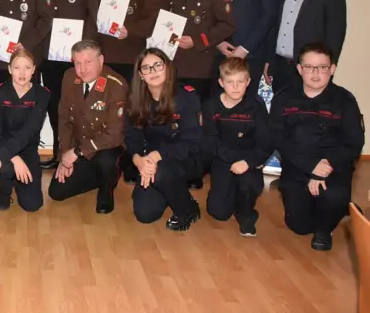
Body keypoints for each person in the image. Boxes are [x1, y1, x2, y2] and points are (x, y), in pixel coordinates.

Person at [271, 42, 363, 251]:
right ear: (299, 69)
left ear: (332, 69)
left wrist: (324, 168)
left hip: (333, 169)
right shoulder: (284, 98)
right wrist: (310, 166)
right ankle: (339, 210)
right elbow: (277, 137)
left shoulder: (345, 100)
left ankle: (326, 228)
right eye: (309, 67)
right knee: (298, 226)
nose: (315, 73)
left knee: (332, 197)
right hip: (298, 167)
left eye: (322, 67)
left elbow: (354, 142)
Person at [40, 0, 100, 169]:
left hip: (77, 53)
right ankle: (58, 153)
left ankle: (81, 156)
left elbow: (93, 10)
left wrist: (84, 49)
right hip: (51, 51)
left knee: (79, 105)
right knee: (55, 104)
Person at [125, 48, 203, 231]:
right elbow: (132, 137)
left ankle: (186, 209)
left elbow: (193, 141)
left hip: (186, 157)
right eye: (146, 68)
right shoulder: (135, 100)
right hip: (152, 161)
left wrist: (158, 155)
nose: (153, 71)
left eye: (157, 65)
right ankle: (174, 192)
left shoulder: (186, 96)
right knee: (145, 214)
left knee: (162, 173)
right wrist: (139, 161)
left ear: (167, 68)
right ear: (140, 75)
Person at [48, 40, 128, 214]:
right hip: (80, 147)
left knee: (106, 161)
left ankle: (106, 189)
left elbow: (114, 135)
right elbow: (64, 120)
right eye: (77, 63)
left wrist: (76, 153)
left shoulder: (116, 85)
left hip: (106, 148)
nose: (82, 69)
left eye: (88, 62)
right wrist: (65, 155)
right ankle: (96, 176)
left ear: (101, 60)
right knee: (56, 192)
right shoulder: (69, 77)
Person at [265, 0, 347, 93]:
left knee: (310, 114)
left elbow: (335, 36)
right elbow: (272, 29)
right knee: (282, 114)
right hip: (281, 67)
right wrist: (269, 61)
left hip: (311, 70)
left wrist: (326, 69)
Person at [162, 0, 235, 103]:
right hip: (172, 64)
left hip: (200, 65)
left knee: (197, 117)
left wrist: (196, 40)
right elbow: (163, 21)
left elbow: (227, 24)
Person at [204, 57, 271, 237]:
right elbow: (211, 140)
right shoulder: (211, 106)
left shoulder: (256, 106)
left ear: (248, 82)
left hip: (248, 160)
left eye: (240, 81)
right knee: (218, 213)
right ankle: (230, 194)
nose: (235, 87)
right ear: (221, 82)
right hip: (222, 159)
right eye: (230, 82)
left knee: (249, 183)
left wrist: (249, 161)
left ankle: (247, 213)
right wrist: (230, 159)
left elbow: (266, 141)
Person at [0, 48, 50, 212]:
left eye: (27, 67)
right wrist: (13, 158)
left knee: (32, 205)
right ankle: (5, 190)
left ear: (34, 69)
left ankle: (17, 180)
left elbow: (29, 131)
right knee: (6, 168)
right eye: (17, 67)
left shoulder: (42, 94)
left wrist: (18, 158)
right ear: (9, 69)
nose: (22, 73)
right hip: (1, 146)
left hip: (27, 149)